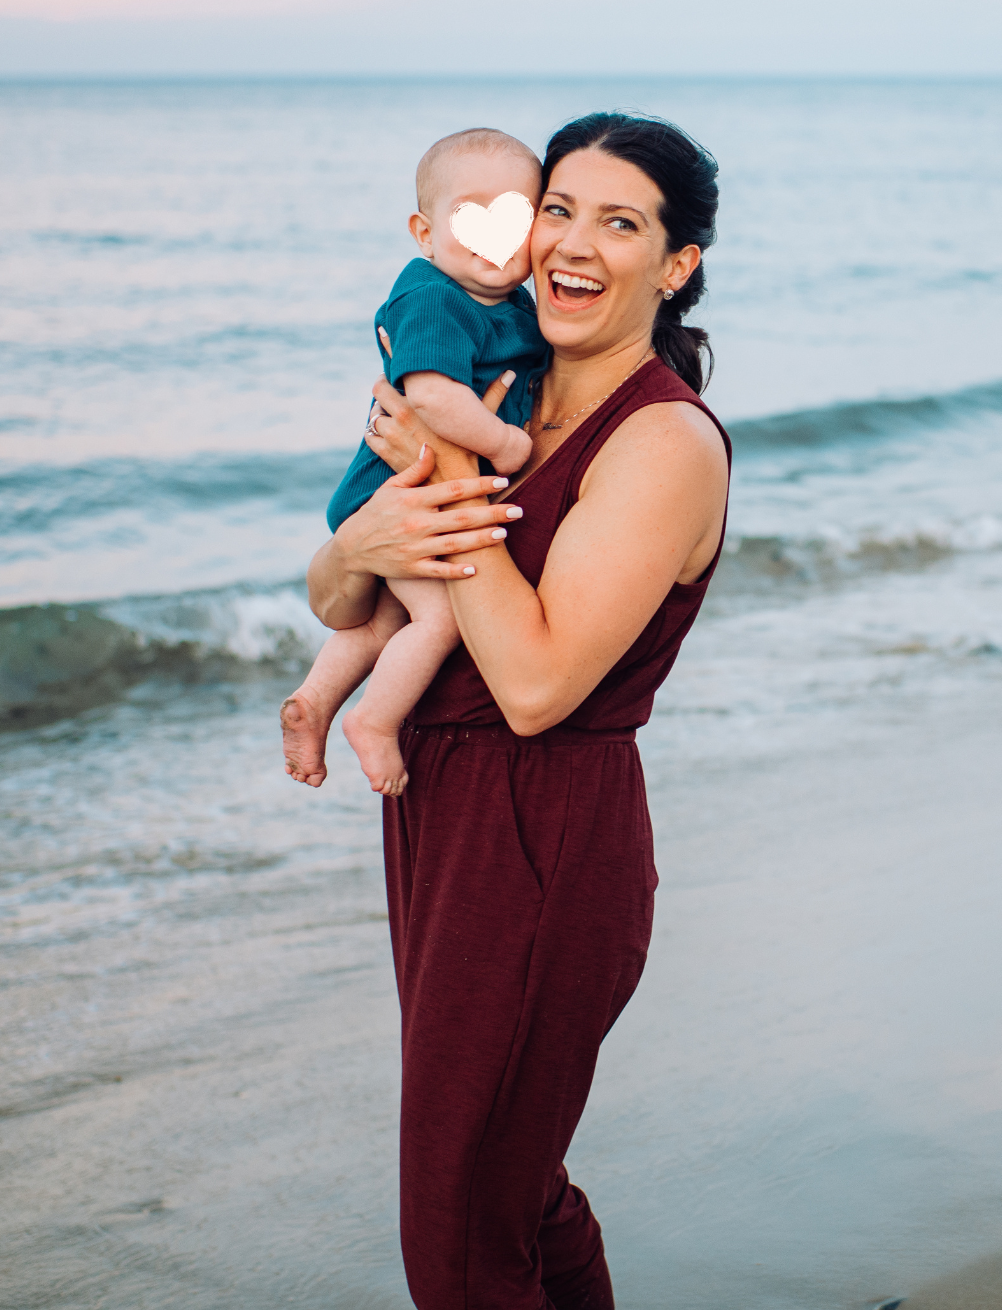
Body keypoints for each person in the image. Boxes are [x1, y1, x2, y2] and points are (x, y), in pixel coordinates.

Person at [303, 112, 731, 1310]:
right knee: (510, 1191)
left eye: (622, 221)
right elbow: (339, 591)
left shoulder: (660, 441)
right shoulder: (501, 396)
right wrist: (370, 534)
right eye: (558, 209)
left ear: (676, 263)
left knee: (456, 1223)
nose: (573, 244)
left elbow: (538, 688)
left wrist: (439, 479)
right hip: (440, 823)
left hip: (541, 839)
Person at [280, 127, 550, 798]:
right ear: (423, 232)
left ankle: (314, 701)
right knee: (442, 619)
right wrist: (512, 446)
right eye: (472, 216)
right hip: (401, 489)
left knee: (384, 621)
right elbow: (430, 397)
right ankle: (374, 720)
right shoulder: (430, 295)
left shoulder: (509, 301)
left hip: (418, 487)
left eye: (518, 216)